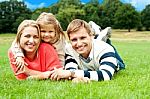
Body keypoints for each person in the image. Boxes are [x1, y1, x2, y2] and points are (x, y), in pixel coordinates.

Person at [51, 19, 125, 82]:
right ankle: (98, 33)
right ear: (69, 41)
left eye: (83, 38)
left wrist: (72, 73)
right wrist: (75, 78)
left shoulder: (105, 48)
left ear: (91, 36)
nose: (79, 43)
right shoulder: (69, 49)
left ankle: (101, 36)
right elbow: (70, 69)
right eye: (74, 40)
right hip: (93, 56)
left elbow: (106, 75)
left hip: (109, 56)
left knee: (121, 65)